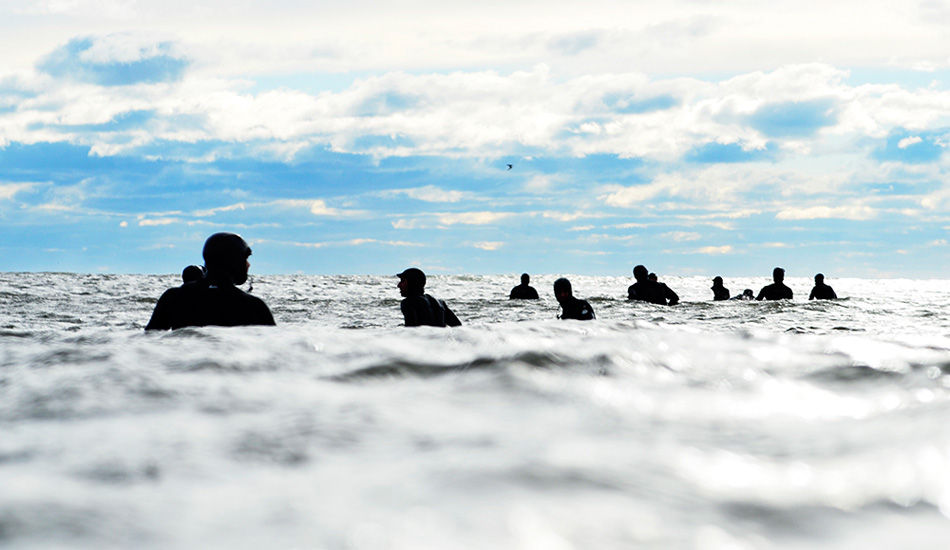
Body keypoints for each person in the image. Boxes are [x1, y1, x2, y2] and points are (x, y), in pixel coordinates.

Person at [146, 233, 276, 330]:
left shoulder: (174, 297)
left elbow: (149, 341)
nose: (248, 265)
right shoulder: (253, 307)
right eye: (245, 258)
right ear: (234, 261)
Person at [397, 268, 462, 327]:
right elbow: (458, 328)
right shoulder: (440, 303)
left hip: (422, 339)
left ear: (411, 283)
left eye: (402, 281)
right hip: (440, 339)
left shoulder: (408, 302)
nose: (398, 285)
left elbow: (411, 330)